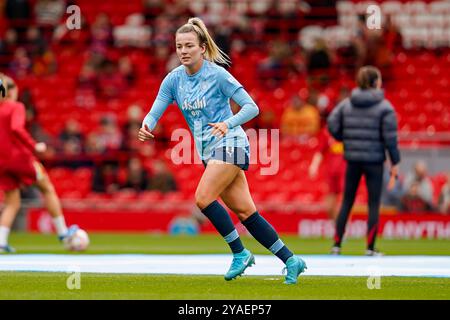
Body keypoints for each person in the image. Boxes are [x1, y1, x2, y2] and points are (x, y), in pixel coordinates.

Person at [138, 17, 306, 284]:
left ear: (202, 48)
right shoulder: (173, 80)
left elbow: (252, 107)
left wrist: (227, 123)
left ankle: (240, 253)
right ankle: (291, 260)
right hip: (210, 153)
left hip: (233, 145)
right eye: (179, 46)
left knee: (203, 198)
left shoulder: (217, 74)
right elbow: (156, 108)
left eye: (189, 45)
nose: (183, 51)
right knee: (246, 214)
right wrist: (147, 124)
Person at [0, 74, 79, 253]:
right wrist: (35, 145)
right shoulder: (16, 106)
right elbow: (16, 128)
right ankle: (63, 233)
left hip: (1, 162)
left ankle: (1, 242)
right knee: (47, 187)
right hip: (19, 158)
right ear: (11, 90)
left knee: (12, 202)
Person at [327, 66, 400, 256]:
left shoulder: (346, 104)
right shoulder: (385, 107)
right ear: (375, 82)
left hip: (352, 158)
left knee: (347, 202)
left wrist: (345, 139)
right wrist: (395, 162)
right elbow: (390, 139)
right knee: (373, 203)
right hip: (375, 160)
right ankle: (370, 248)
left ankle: (336, 245)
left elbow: (332, 124)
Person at [308, 127, 346, 222]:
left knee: (344, 204)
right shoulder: (327, 132)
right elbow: (320, 151)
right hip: (331, 173)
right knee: (329, 206)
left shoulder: (350, 131)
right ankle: (337, 229)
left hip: (346, 172)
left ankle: (343, 229)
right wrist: (314, 165)